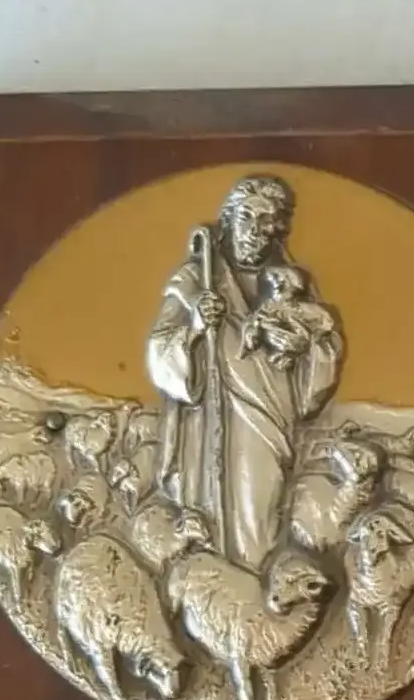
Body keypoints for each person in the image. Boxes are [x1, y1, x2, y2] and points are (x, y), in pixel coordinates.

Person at [146, 174, 344, 569]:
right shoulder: (194, 281)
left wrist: (310, 344)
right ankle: (211, 586)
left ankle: (256, 582)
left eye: (266, 220)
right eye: (246, 217)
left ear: (276, 229)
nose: (255, 230)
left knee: (260, 517)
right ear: (228, 222)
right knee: (208, 518)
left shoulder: (292, 285)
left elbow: (322, 345)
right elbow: (159, 352)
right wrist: (196, 327)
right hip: (209, 425)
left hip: (269, 419)